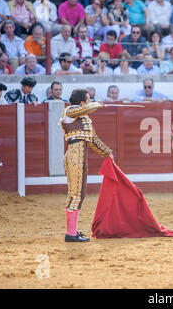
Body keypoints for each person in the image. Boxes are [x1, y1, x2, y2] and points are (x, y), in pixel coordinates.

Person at [59, 88, 114, 242]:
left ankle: (73, 231)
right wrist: (98, 104)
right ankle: (70, 233)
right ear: (82, 102)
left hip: (80, 157)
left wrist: (107, 152)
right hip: (74, 157)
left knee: (78, 194)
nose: (90, 102)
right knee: (75, 194)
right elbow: (86, 109)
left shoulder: (85, 119)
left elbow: (93, 140)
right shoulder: (69, 111)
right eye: (89, 99)